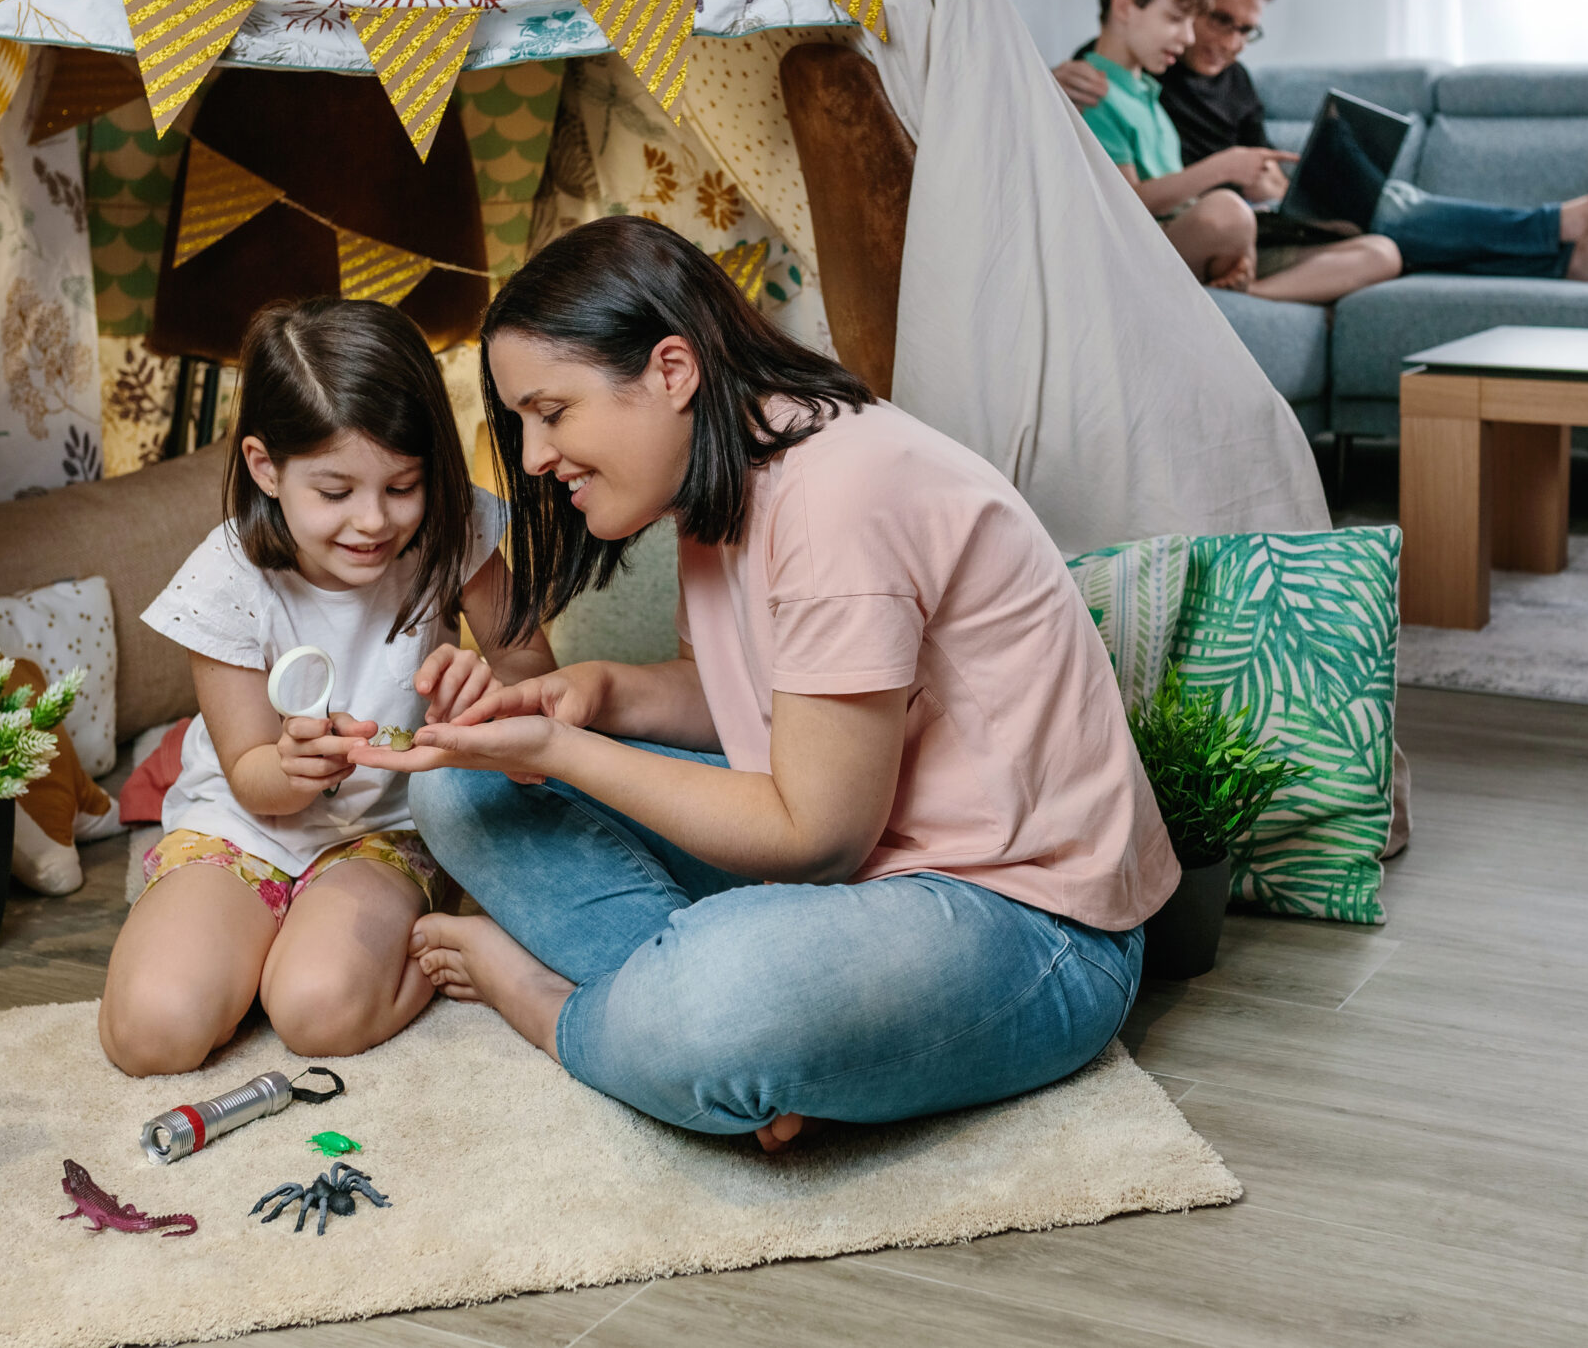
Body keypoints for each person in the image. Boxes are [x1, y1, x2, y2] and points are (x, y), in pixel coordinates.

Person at [351, 216, 1175, 1151]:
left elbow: (815, 835)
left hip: (1030, 926)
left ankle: (569, 1013)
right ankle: (750, 1045)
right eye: (524, 423)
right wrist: (590, 695)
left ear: (671, 370)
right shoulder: (725, 474)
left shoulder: (839, 494)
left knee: (719, 999)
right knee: (461, 786)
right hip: (861, 879)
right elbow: (748, 702)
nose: (535, 457)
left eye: (552, 412)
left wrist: (565, 751)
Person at [98, 298, 556, 1076]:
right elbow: (252, 775)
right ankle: (251, 948)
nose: (374, 522)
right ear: (265, 467)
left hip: (383, 831)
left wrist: (484, 690)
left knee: (316, 1013)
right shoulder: (226, 577)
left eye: (403, 485)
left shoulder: (450, 535)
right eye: (336, 493)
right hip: (246, 822)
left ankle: (445, 936)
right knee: (154, 1033)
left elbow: (541, 691)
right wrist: (294, 766)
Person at [1058, 0, 1588, 286]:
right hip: (1210, 221)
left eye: (1246, 30)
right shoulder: (1124, 77)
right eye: (1212, 20)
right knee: (1391, 206)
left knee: (1378, 212)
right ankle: (1562, 232)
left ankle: (1573, 257)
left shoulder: (1227, 80)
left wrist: (1269, 177)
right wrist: (1051, 78)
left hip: (1261, 209)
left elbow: (1261, 164)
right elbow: (1078, 104)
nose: (1214, 41)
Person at [1077, 0, 1400, 303]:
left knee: (1382, 248)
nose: (1187, 37)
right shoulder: (1094, 88)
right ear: (1125, 7)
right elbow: (1126, 204)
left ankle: (1252, 289)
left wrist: (1267, 191)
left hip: (1236, 223)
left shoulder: (1148, 90)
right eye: (1179, 19)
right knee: (1228, 211)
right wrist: (1222, 170)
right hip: (1168, 237)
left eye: (1245, 30)